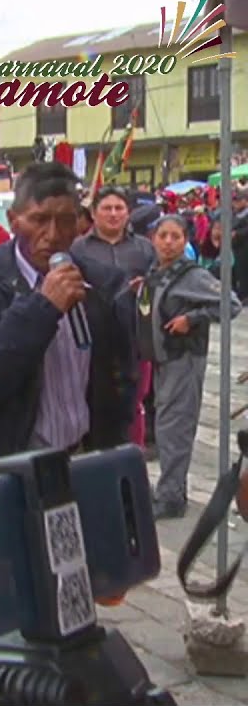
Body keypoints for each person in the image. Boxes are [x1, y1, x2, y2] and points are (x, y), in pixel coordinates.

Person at [0, 162, 137, 483]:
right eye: (40, 220)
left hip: (83, 462)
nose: (53, 235)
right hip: (6, 472)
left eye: (66, 221)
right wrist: (42, 309)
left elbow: (119, 380)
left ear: (80, 224)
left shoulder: (101, 285)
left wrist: (112, 450)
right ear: (14, 221)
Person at [139, 216, 241, 519]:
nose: (168, 242)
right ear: (153, 238)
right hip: (162, 361)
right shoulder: (158, 271)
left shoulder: (192, 275)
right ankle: (171, 490)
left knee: (175, 430)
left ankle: (171, 497)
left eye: (176, 236)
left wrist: (192, 319)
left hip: (182, 361)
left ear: (186, 240)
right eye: (163, 236)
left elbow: (231, 304)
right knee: (167, 427)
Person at [72, 185, 158, 449]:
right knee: (93, 406)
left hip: (133, 340)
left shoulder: (144, 248)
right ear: (93, 213)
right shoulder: (78, 249)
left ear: (128, 212)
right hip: (91, 342)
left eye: (119, 208)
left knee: (131, 406)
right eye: (106, 208)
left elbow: (157, 286)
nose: (113, 214)